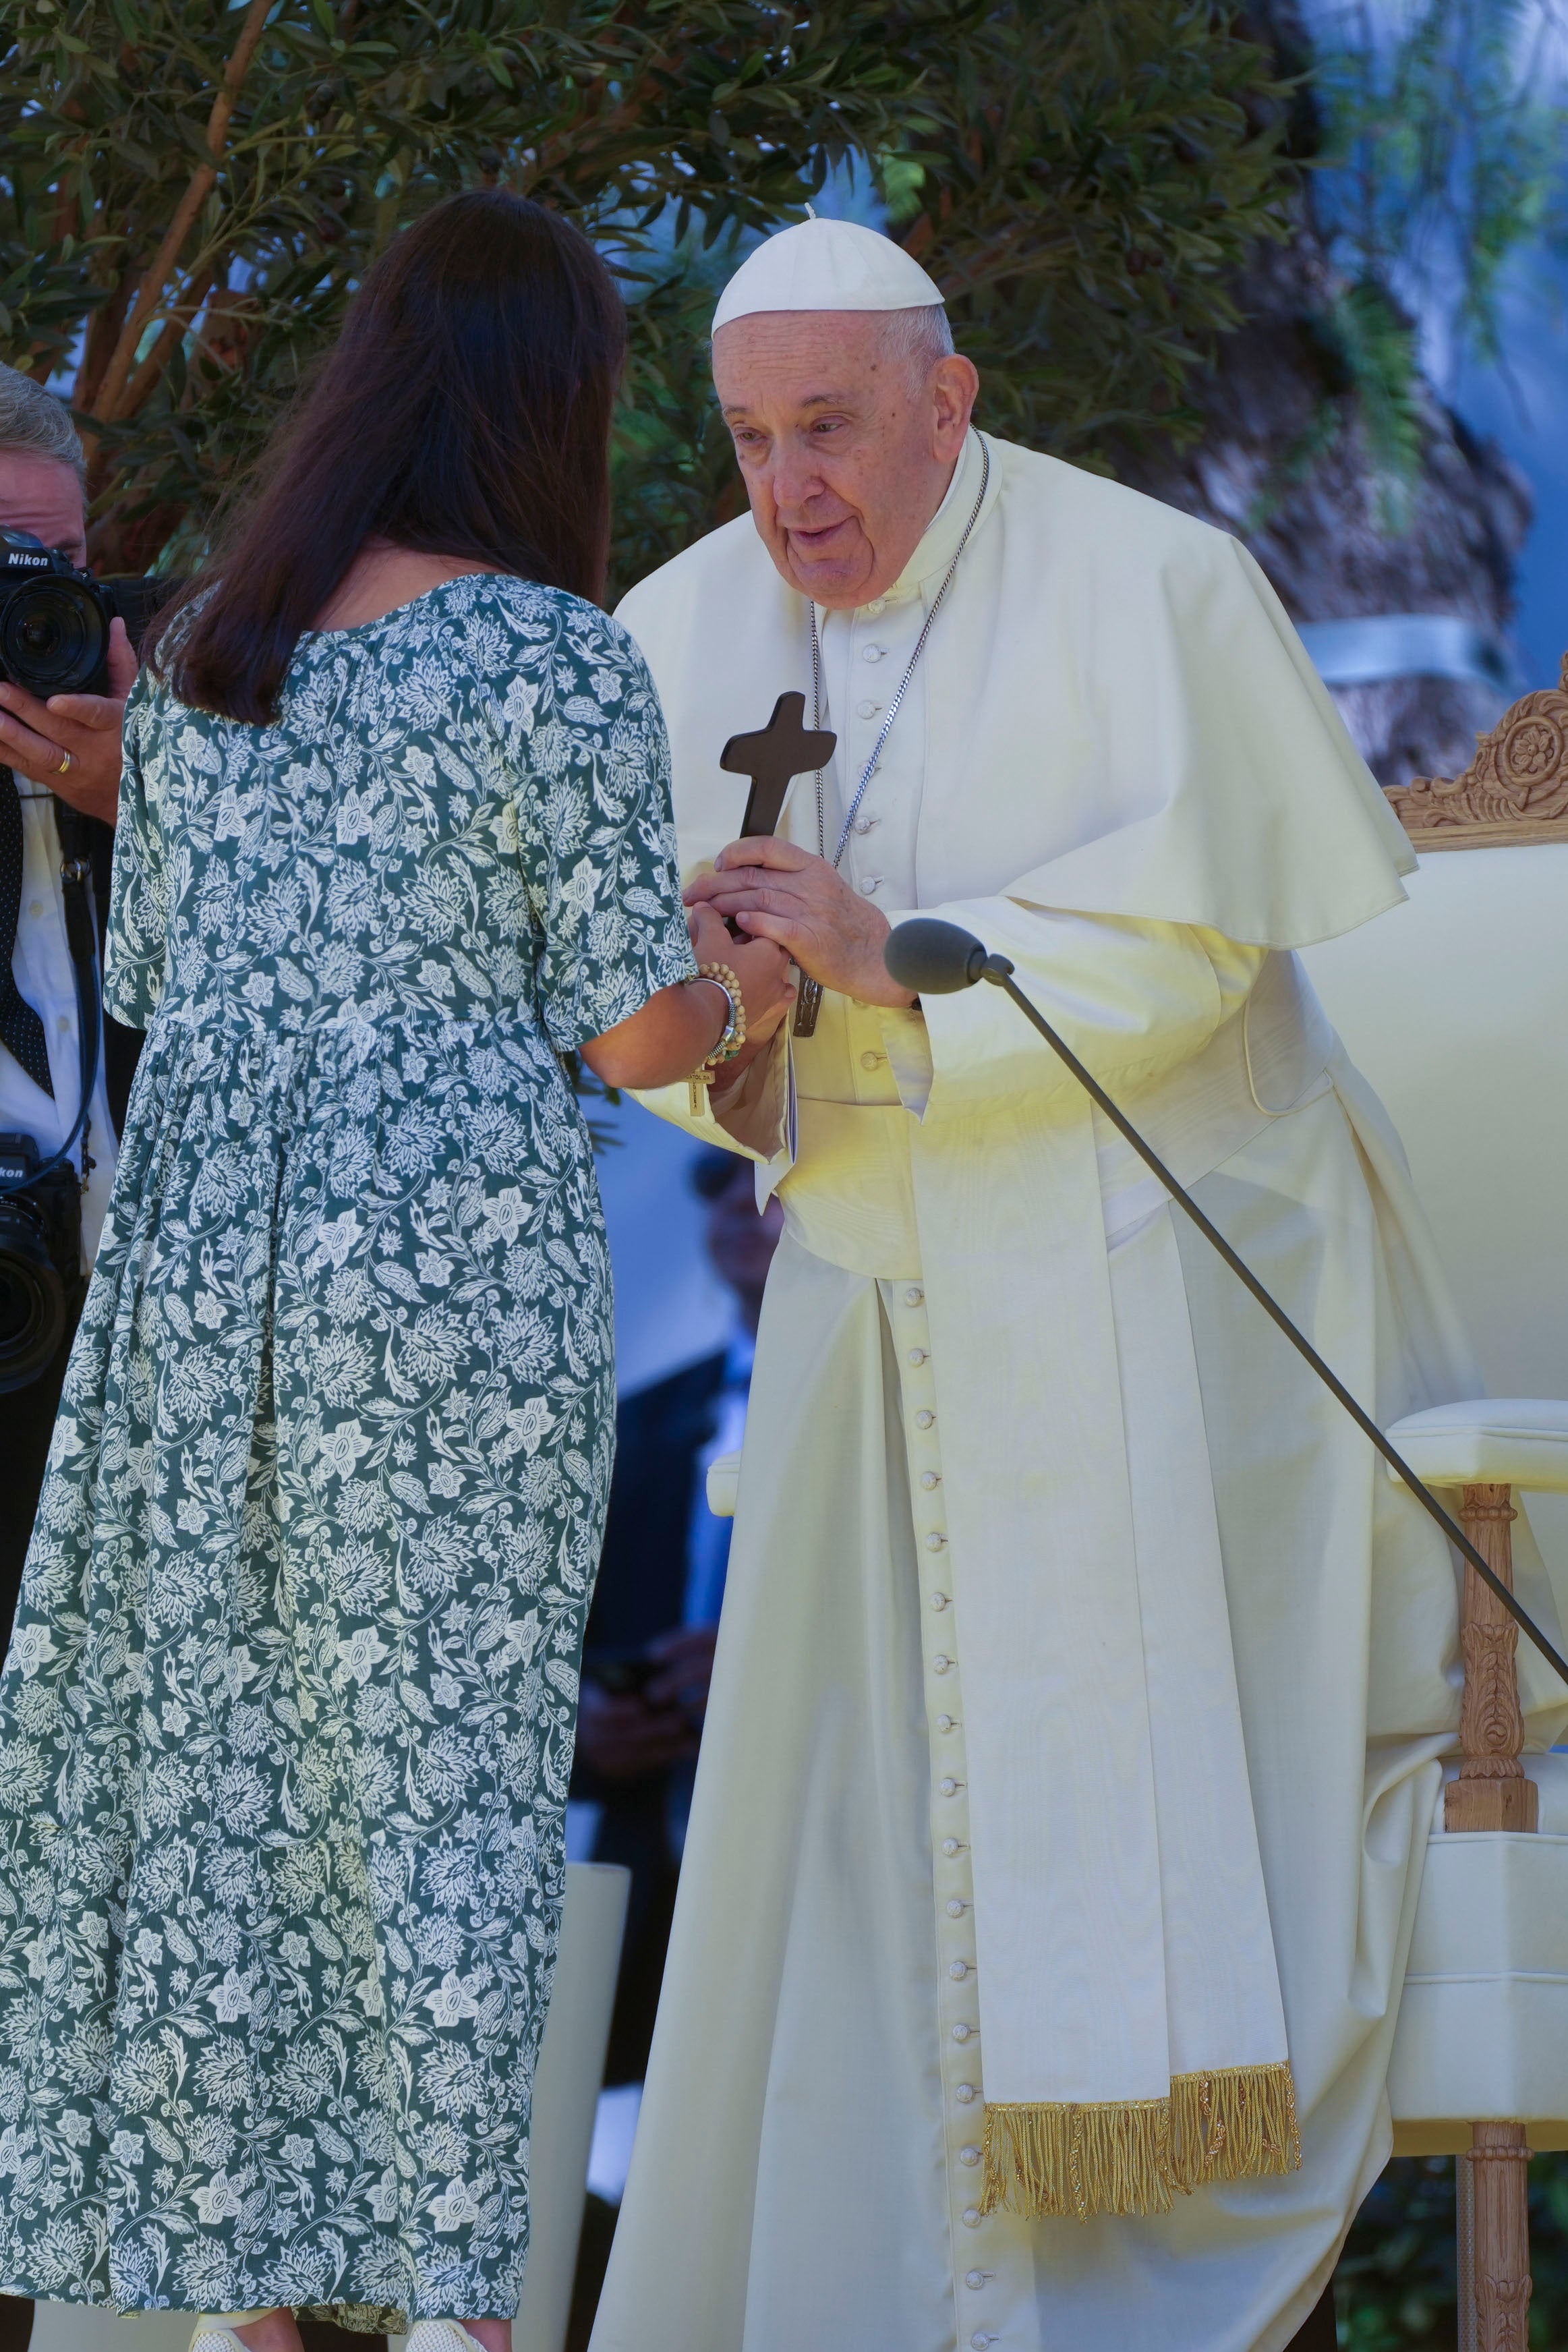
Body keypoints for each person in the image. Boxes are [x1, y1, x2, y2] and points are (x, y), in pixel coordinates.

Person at [587, 217, 1568, 2352]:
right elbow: (645, 1037)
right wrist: (734, 1032)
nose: (785, 491)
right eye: (751, 439)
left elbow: (1211, 954)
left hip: (1175, 1315)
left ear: (948, 402)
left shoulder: (1151, 584)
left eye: (829, 428)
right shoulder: (678, 628)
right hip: (877, 1325)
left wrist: (884, 958)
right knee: (873, 1892)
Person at [0, 190, 792, 2352]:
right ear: (554, 400)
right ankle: (453, 2316)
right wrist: (744, 991)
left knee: (230, 1769)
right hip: (442, 1277)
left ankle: (238, 2311)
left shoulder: (216, 651)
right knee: (437, 1778)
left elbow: (169, 969)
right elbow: (620, 1033)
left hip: (198, 1272)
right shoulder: (550, 652)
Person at [574, 1148, 782, 2086]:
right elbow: (568, 1646)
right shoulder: (636, 1423)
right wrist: (586, 1724)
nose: (739, 1204)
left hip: (819, 1888)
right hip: (651, 1897)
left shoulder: (923, 1409)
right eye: (715, 1183)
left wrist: (756, 1672)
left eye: (770, 1181)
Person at [0, 363, 140, 1661]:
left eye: (60, 563)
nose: (32, 605)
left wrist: (146, 800)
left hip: (113, 1364)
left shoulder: (161, 763)